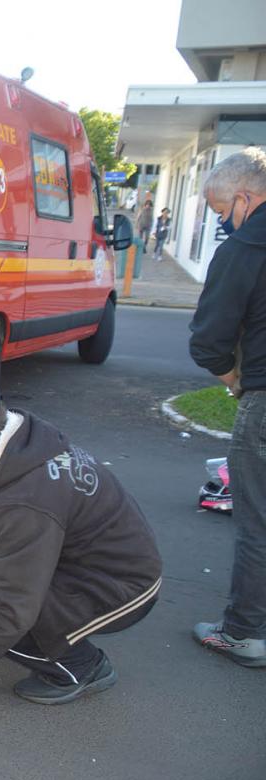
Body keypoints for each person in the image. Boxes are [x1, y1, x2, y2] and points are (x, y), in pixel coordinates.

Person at [0, 383, 162, 705]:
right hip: (75, 558)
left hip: (120, 584)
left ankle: (82, 668)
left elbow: (9, 607)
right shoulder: (9, 444)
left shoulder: (25, 503)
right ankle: (54, 638)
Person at [188, 146, 266, 668]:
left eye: (222, 212)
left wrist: (238, 382)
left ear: (244, 198)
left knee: (257, 521)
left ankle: (242, 632)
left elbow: (208, 341)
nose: (223, 223)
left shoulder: (244, 249)